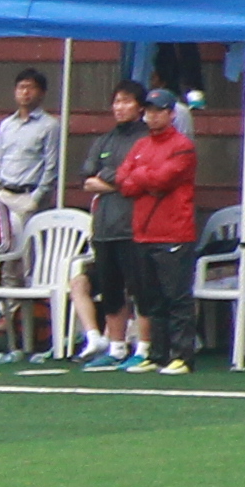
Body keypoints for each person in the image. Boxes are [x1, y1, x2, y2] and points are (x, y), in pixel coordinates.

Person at [79, 81, 195, 370]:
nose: (153, 116)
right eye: (150, 111)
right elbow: (124, 179)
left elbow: (160, 179)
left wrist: (137, 179)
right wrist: (138, 179)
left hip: (172, 230)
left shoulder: (181, 146)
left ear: (171, 114)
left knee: (175, 297)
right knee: (150, 297)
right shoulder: (141, 145)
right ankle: (156, 354)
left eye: (160, 111)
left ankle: (180, 356)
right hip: (142, 230)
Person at [0, 69, 63, 235]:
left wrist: (37, 196)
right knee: (1, 244)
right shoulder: (6, 125)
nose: (25, 92)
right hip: (3, 194)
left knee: (27, 250)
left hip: (29, 195)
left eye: (31, 88)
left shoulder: (50, 125)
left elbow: (52, 164)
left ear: (42, 93)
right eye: (21, 87)